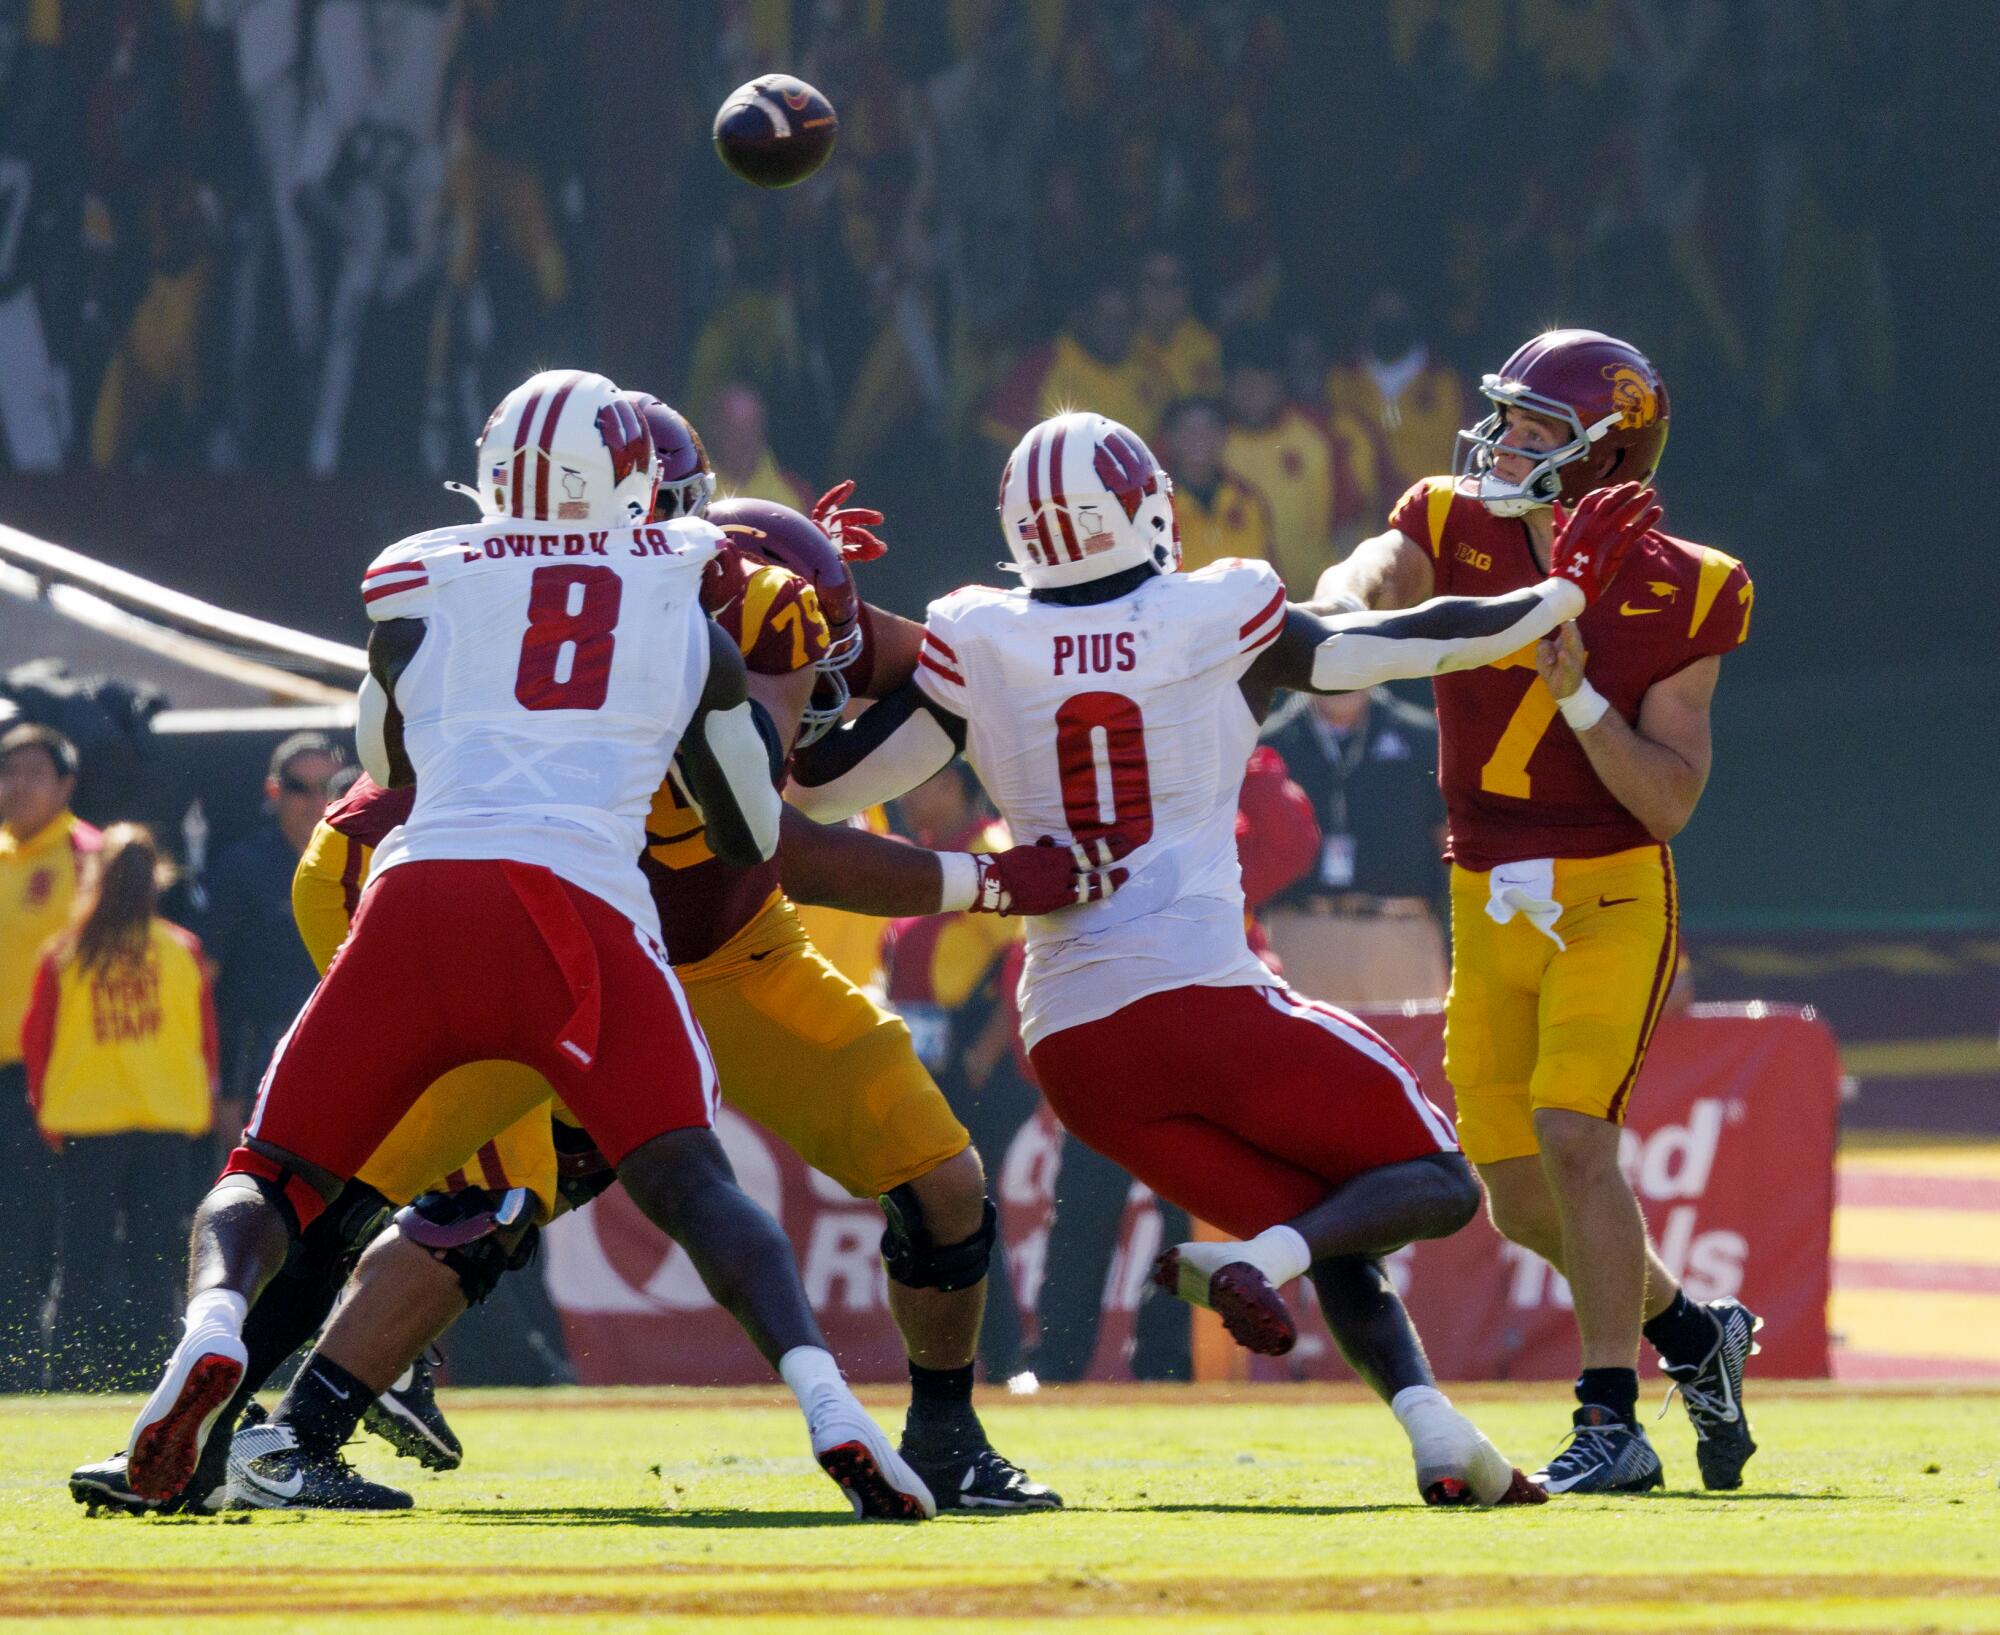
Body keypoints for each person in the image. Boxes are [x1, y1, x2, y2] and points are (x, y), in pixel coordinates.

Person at [792, 408, 1661, 1505]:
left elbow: (828, 786)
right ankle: (1271, 1265)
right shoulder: (1213, 607)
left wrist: (818, 628)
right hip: (1200, 995)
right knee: (1434, 1182)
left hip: (1068, 1044)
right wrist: (1557, 595)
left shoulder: (978, 632)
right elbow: (1402, 643)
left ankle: (1432, 1429)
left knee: (1323, 1213)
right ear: (1142, 506)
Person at [113, 369, 933, 1523]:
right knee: (692, 1184)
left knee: (269, 1177)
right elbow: (749, 827)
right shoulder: (679, 598)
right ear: (637, 486)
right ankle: (829, 1406)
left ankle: (206, 1337)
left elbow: (382, 758)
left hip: (409, 899)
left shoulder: (422, 574)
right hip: (573, 918)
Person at [1313, 329, 1759, 1495]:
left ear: (1603, 455)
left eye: (1533, 431)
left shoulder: (1690, 584)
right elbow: (1373, 573)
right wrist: (1330, 607)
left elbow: (1664, 801)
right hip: (1481, 891)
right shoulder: (1445, 515)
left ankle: (1609, 1419)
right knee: (1514, 1199)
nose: (1502, 443)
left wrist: (1573, 696)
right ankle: (1694, 1336)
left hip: (1608, 889)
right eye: (1502, 418)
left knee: (1574, 1137)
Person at [22, 825, 216, 1386]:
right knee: (155, 1256)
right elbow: (206, 1041)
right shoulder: (182, 949)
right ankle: (155, 1369)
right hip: (165, 1122)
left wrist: (43, 1110)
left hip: (89, 1124)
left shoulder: (67, 953)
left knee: (80, 1255)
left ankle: (74, 1369)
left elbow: (39, 1042)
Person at [879, 763, 1037, 1387]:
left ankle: (1004, 1360)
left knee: (964, 1203)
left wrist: (986, 1050)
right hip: (936, 1055)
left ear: (955, 785)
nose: (909, 790)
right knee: (943, 1205)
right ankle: (975, 1357)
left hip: (978, 1064)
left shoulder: (985, 850)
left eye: (923, 780)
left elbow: (1021, 955)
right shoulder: (928, 854)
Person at [0, 725, 99, 1389]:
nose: (15, 785)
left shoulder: (89, 854)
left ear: (66, 784)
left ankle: (57, 1367)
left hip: (57, 1078)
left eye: (32, 771)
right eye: (7, 771)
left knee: (53, 1227)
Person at [1258, 687, 1450, 1004]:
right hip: (1297, 931)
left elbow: (1448, 838)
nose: (1342, 680)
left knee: (1408, 1052)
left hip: (1401, 932)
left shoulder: (1422, 736)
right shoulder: (1270, 741)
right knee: (1303, 1052)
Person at [202, 733, 342, 1143]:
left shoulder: (366, 862)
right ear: (274, 790)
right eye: (300, 788)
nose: (316, 802)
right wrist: (219, 1086)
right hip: (255, 1064)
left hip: (339, 1058)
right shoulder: (240, 867)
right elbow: (204, 978)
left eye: (330, 789)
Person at [1221, 323, 1338, 594]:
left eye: (1262, 382)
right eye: (1243, 382)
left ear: (1280, 384)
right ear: (1227, 384)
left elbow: (1346, 522)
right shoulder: (1209, 440)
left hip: (1311, 599)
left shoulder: (1315, 437)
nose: (1252, 393)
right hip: (1235, 602)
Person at [1157, 398, 1274, 574]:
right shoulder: (1156, 505)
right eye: (1188, 430)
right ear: (1170, 439)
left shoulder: (1247, 500)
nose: (1199, 438)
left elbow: (1271, 574)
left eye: (1209, 429)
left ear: (1225, 437)